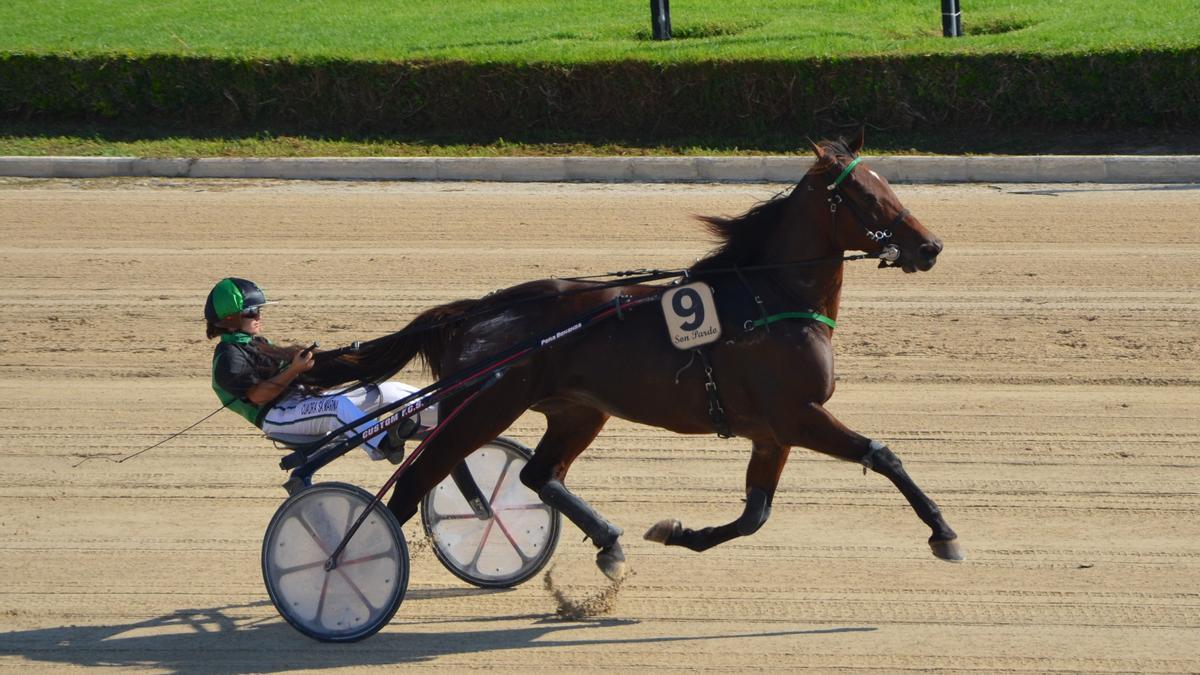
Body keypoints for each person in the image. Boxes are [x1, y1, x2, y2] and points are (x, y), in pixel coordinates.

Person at [204, 277, 433, 463]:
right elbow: (259, 395)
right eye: (252, 311)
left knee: (384, 390)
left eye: (258, 310)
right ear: (229, 317)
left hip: (300, 402)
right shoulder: (228, 356)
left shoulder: (255, 342)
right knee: (336, 408)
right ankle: (385, 445)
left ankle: (444, 412)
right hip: (277, 416)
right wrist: (294, 369)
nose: (259, 316)